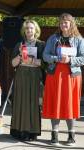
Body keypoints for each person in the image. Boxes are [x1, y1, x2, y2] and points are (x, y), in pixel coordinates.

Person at [42, 13, 84, 146]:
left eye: (66, 22)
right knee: (56, 103)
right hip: (55, 75)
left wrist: (70, 59)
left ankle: (71, 135)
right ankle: (54, 135)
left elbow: (83, 58)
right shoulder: (53, 38)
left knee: (69, 104)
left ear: (71, 23)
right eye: (61, 22)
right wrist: (57, 58)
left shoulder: (79, 39)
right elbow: (45, 56)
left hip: (72, 77)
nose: (63, 25)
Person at [10, 19, 45, 141]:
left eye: (31, 28)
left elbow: (45, 63)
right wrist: (20, 55)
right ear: (24, 31)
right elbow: (13, 64)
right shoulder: (19, 44)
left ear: (36, 30)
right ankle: (19, 131)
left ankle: (32, 131)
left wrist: (33, 61)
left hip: (34, 76)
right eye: (27, 28)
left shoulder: (41, 44)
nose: (29, 30)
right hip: (21, 75)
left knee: (32, 103)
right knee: (20, 102)